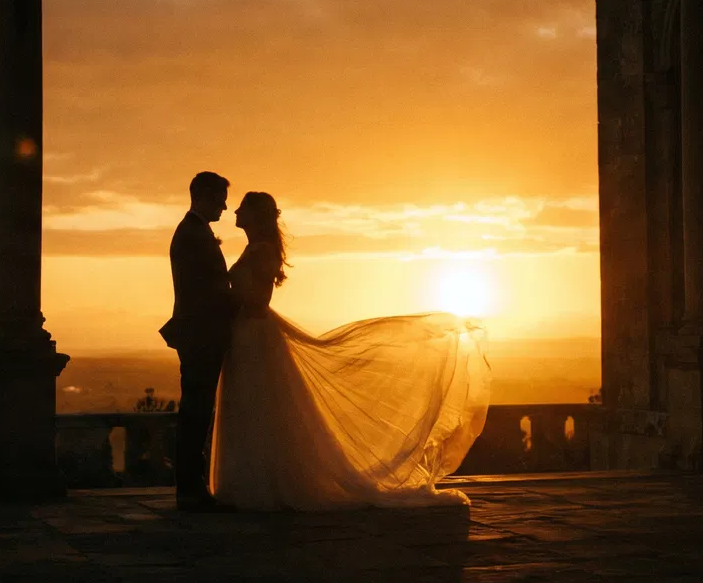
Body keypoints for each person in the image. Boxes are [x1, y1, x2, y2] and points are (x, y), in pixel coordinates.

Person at [209, 191, 490, 511]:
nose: (235, 211)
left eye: (242, 207)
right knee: (253, 406)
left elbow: (259, 300)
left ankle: (262, 485)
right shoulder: (255, 249)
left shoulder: (262, 251)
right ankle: (252, 483)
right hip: (248, 333)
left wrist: (228, 298)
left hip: (255, 334)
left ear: (255, 215)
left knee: (258, 405)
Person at [158, 172, 239, 512]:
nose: (224, 205)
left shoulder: (194, 232)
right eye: (220, 197)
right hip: (201, 336)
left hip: (200, 334)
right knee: (196, 410)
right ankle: (190, 489)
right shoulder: (192, 234)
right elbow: (206, 292)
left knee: (198, 409)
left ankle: (191, 487)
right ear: (204, 195)